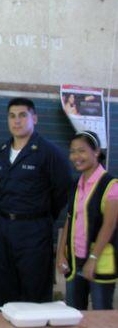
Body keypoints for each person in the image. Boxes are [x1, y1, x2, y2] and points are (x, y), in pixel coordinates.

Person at [0, 97, 71, 309]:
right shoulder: (0, 153)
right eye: (12, 116)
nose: (16, 121)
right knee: (5, 291)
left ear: (34, 118)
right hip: (5, 228)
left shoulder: (48, 152)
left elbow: (62, 190)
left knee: (34, 292)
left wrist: (42, 215)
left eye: (22, 115)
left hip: (34, 230)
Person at [56, 131, 117, 309]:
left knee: (100, 316)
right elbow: (70, 219)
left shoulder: (111, 185)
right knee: (74, 313)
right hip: (75, 260)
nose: (76, 157)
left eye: (81, 151)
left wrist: (93, 258)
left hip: (99, 260)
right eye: (72, 151)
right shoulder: (77, 184)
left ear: (96, 151)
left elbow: (109, 225)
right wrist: (61, 253)